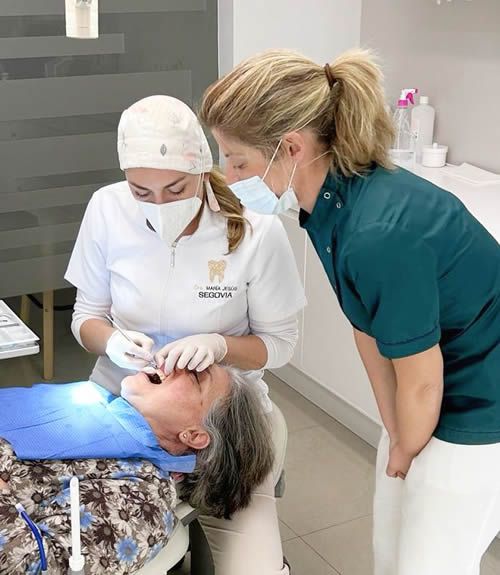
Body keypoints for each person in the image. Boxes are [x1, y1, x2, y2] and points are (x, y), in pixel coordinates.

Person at [199, 48, 500, 575]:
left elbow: (424, 384)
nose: (226, 174)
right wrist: (396, 432)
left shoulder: (377, 231)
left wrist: (407, 449)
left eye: (238, 159)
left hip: (482, 397)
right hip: (433, 378)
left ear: (290, 148)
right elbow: (367, 329)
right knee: (392, 548)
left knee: (432, 564)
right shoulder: (327, 206)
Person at [65, 95, 306, 575]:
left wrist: (220, 347)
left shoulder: (257, 230)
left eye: (175, 189)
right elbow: (86, 316)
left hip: (222, 415)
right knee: (95, 541)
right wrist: (111, 341)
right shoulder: (107, 209)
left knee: (251, 569)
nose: (159, 204)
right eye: (142, 192)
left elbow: (278, 345)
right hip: (121, 399)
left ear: (201, 169)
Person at [0, 365, 274, 574]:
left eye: (194, 376)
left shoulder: (141, 498)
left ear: (193, 435)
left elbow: (36, 565)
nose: (170, 364)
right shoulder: (94, 405)